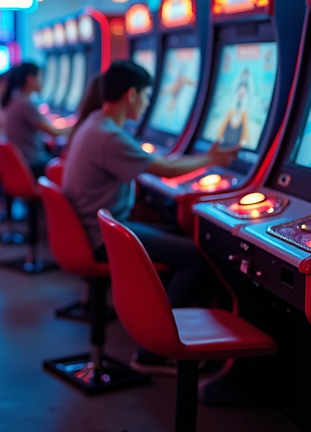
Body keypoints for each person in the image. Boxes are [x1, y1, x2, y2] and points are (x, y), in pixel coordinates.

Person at [61, 60, 238, 374]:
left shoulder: (94, 124)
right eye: (145, 95)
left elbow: (157, 163)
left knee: (175, 232)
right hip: (102, 238)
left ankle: (167, 331)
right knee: (193, 255)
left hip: (96, 228)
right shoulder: (109, 137)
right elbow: (166, 171)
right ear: (131, 95)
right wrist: (212, 159)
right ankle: (154, 351)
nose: (146, 104)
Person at [1, 62, 71, 178]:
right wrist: (78, 125)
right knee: (65, 166)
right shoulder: (25, 103)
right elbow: (54, 132)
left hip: (22, 161)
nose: (43, 81)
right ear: (30, 79)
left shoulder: (17, 99)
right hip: (30, 162)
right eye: (40, 76)